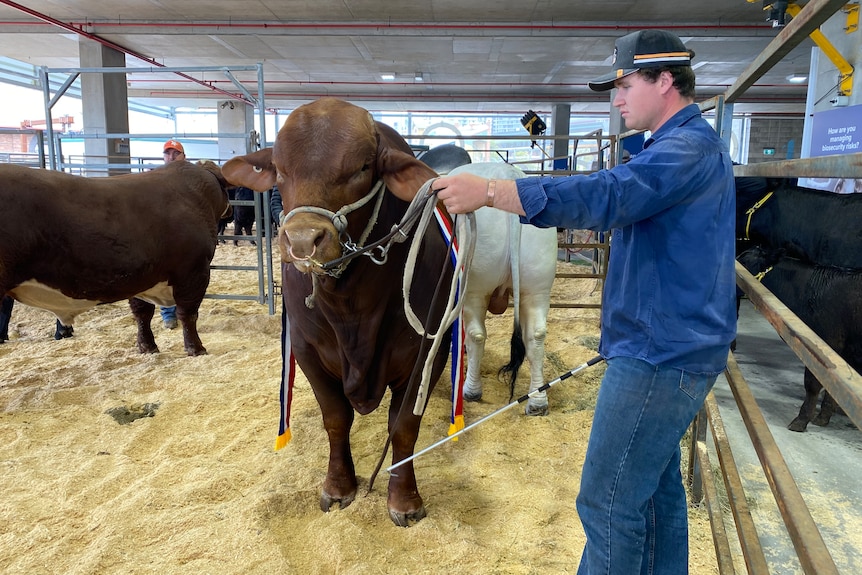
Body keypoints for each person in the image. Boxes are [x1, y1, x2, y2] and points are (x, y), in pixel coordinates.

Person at [434, 29, 736, 575]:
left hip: (659, 354)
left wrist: (497, 192)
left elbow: (608, 195)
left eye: (624, 85)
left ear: (664, 80)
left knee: (607, 500)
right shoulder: (674, 148)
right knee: (654, 491)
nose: (616, 99)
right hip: (664, 344)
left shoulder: (684, 150)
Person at [159, 139, 187, 329]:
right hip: (164, 232)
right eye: (168, 153)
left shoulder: (190, 177)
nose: (171, 157)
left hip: (186, 233)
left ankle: (185, 311)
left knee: (187, 274)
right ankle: (168, 313)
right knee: (164, 275)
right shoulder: (156, 177)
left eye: (175, 153)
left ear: (183, 156)